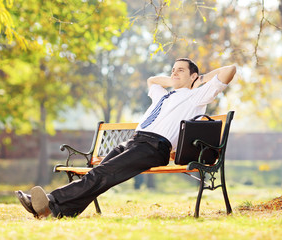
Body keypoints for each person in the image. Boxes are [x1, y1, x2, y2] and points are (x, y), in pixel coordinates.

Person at [15, 58, 236, 218]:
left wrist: (200, 80)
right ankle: (58, 212)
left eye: (180, 70)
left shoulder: (196, 96)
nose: (174, 73)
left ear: (193, 75)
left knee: (102, 173)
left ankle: (50, 201)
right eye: (172, 70)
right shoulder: (165, 95)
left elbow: (229, 70)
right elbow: (152, 81)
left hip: (154, 147)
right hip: (133, 141)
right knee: (99, 174)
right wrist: (175, 80)